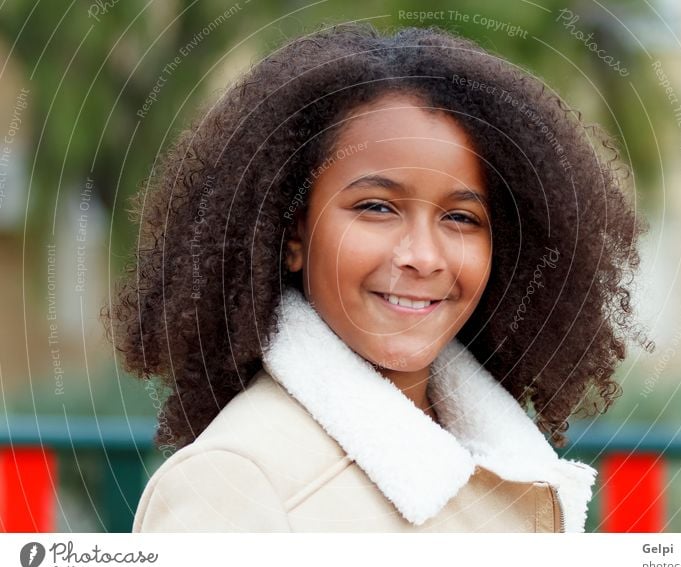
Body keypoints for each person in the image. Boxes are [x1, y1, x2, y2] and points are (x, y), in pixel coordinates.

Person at [104, 22, 652, 533]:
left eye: (461, 217)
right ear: (291, 234)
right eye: (376, 207)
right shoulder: (236, 483)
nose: (423, 256)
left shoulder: (513, 464)